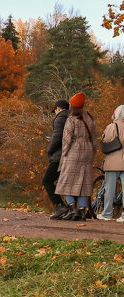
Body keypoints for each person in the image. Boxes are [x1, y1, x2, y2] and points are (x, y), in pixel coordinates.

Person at [55, 92, 96, 220]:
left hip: (74, 150)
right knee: (84, 182)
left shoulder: (71, 119)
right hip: (88, 152)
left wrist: (64, 155)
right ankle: (82, 211)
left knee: (65, 180)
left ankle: (72, 208)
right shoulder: (89, 118)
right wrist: (92, 152)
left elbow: (67, 140)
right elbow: (94, 139)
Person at [45, 100, 70, 219]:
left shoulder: (60, 118)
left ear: (58, 108)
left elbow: (57, 137)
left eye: (55, 110)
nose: (55, 112)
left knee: (47, 180)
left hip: (58, 156)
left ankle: (60, 206)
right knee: (65, 182)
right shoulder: (71, 117)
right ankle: (72, 208)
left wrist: (49, 149)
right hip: (69, 155)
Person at [99, 105, 124, 221]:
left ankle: (107, 213)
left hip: (113, 162)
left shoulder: (112, 126)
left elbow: (105, 141)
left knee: (109, 189)